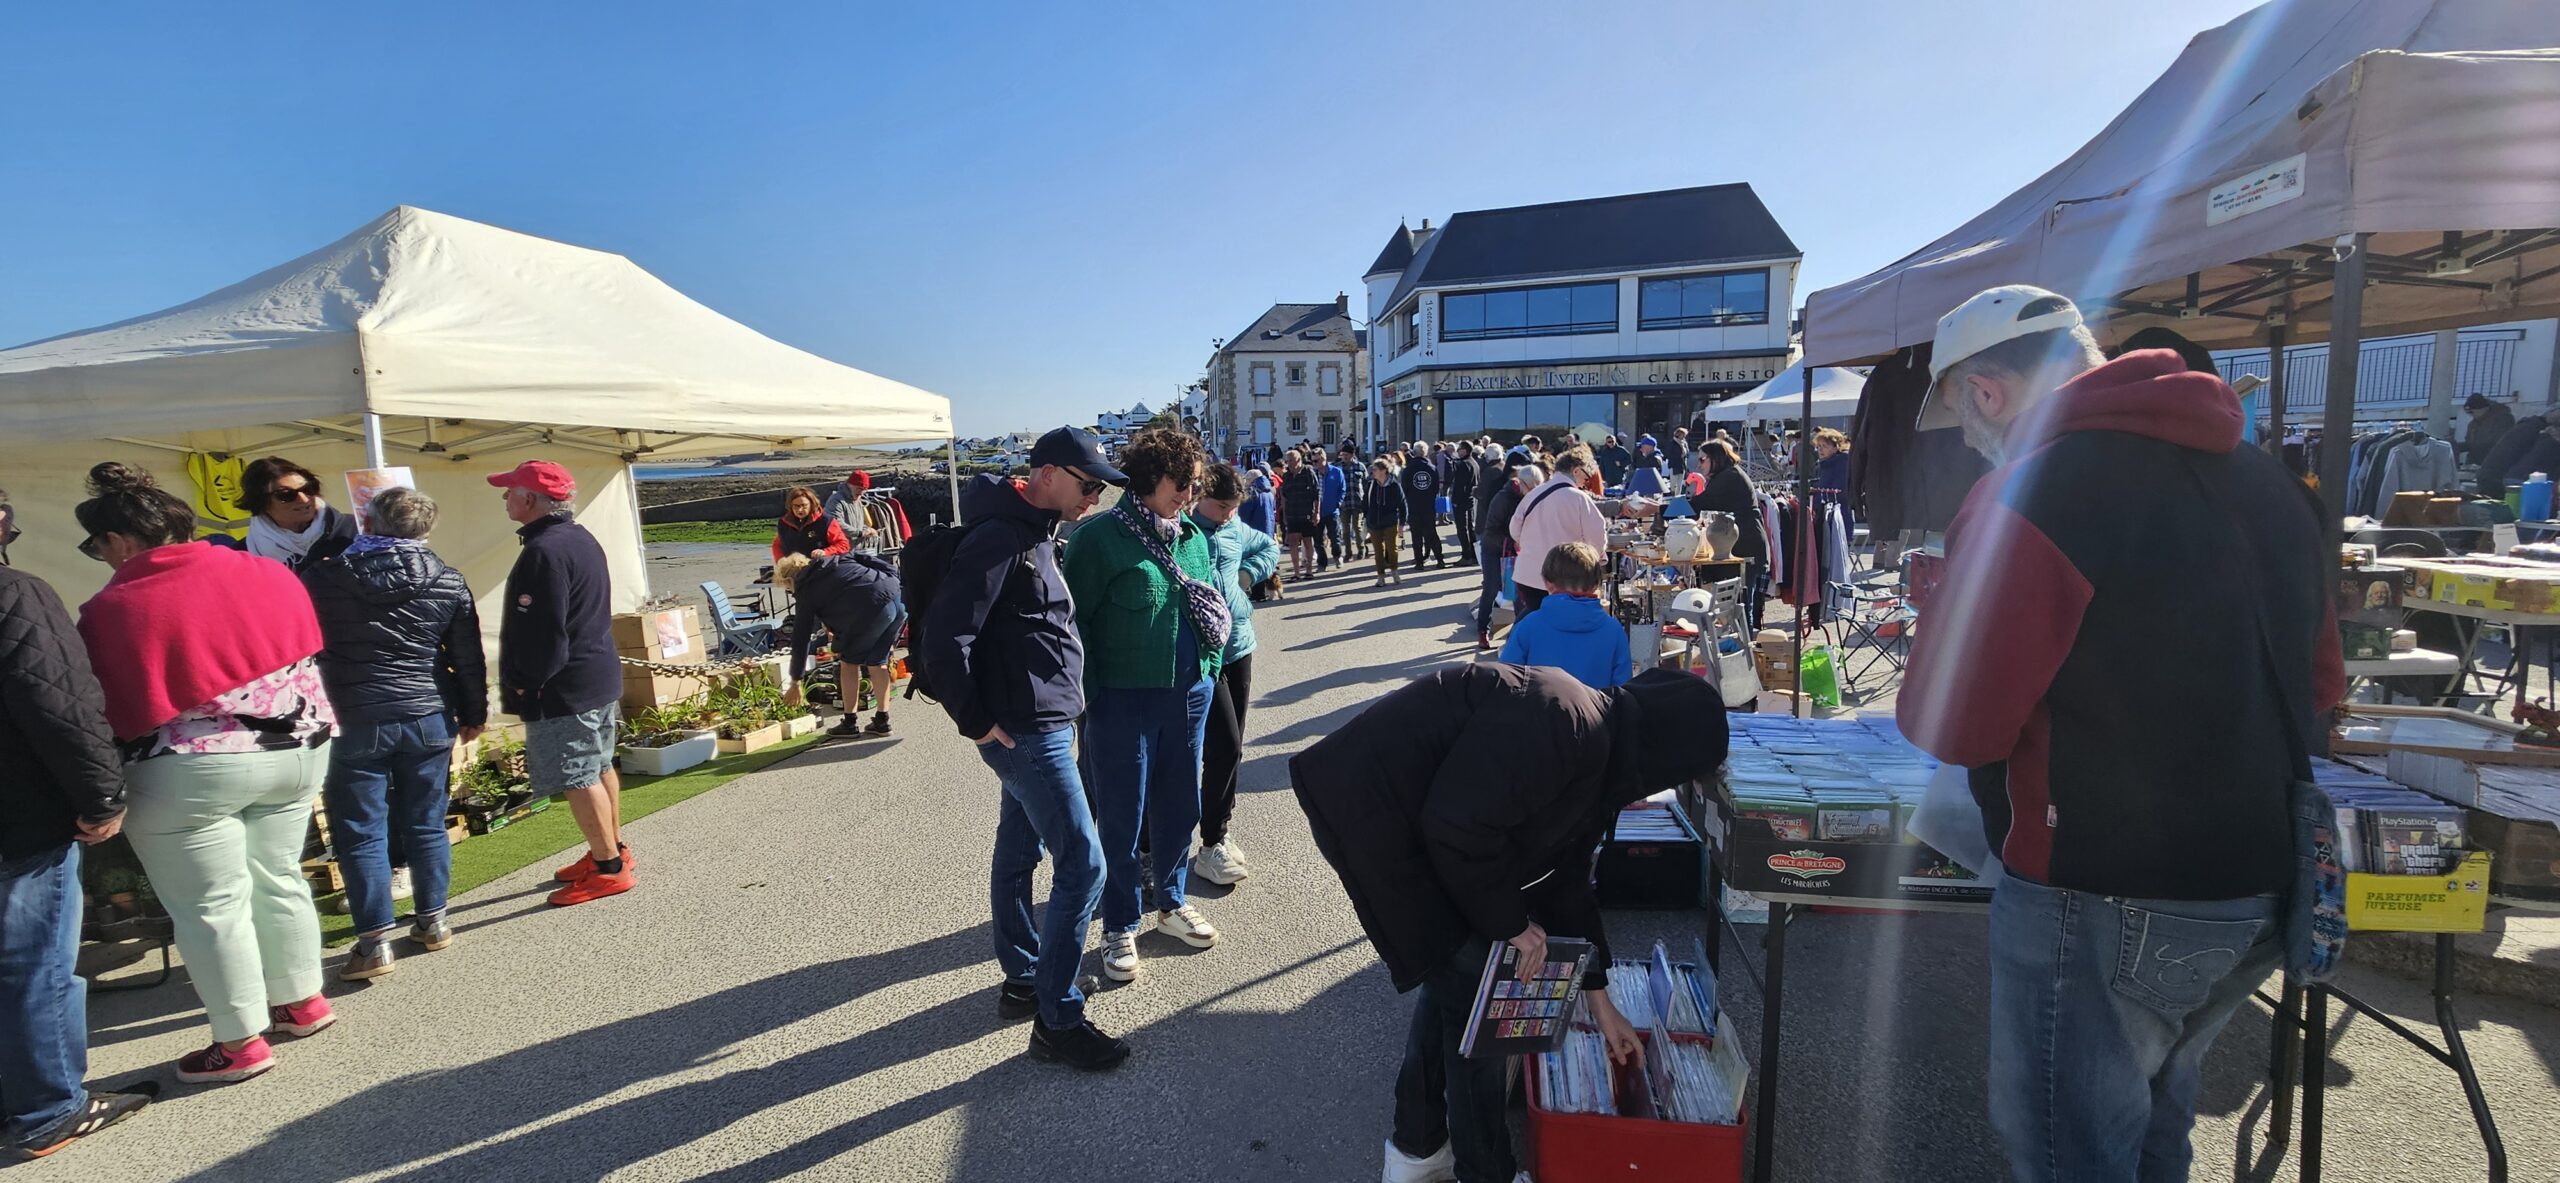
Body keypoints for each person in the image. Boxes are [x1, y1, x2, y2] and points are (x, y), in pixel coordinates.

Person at [1894, 285, 2346, 1183]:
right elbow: (2325, 682)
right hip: (2262, 874)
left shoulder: (2031, 488)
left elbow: (1954, 719)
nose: (1968, 442)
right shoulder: (2266, 481)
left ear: (1986, 392)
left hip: (2100, 889)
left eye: (1961, 418)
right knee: (2152, 1126)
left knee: (2074, 1149)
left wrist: (1945, 611)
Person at [1291, 664, 1725, 1183]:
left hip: (1407, 817)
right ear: (1664, 752)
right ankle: (1481, 1171)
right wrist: (1510, 923)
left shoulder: (1598, 743)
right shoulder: (1565, 723)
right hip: (1375, 809)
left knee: (1455, 979)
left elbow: (1565, 880)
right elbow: (1456, 825)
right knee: (1476, 988)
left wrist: (1598, 995)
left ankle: (1417, 1149)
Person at [73, 463, 337, 1085]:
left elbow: (108, 705)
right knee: (278, 877)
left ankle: (239, 1041)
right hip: (298, 749)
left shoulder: (112, 606)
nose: (100, 558)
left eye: (97, 546)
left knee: (211, 907)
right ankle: (303, 1001)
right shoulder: (267, 571)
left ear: (121, 541)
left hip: (190, 768)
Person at [924, 426, 1127, 1070]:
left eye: (1100, 486)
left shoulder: (1036, 532)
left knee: (1020, 848)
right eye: (1087, 482)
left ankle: (1024, 976)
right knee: (1084, 864)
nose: (1095, 495)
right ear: (1045, 474)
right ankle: (1057, 1018)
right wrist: (978, 723)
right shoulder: (1000, 535)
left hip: (1046, 721)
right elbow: (943, 640)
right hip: (1026, 730)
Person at [0, 532, 152, 1157]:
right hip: (20, 819)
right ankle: (48, 1109)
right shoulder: (14, 593)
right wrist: (101, 796)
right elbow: (60, 702)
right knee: (32, 966)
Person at [1062, 427, 1229, 985]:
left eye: (1194, 483)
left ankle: (1173, 902)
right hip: (1119, 704)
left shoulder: (1195, 539)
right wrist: (1084, 701)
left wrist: (1207, 675)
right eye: (1180, 483)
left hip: (1188, 698)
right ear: (1146, 480)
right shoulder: (1098, 540)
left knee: (1181, 807)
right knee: (1121, 817)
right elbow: (1074, 627)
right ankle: (1118, 924)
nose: (1189, 493)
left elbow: (1206, 611)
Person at [301, 487, 485, 979]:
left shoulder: (323, 576)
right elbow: (466, 656)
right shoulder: (447, 579)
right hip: (428, 711)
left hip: (354, 714)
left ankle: (374, 942)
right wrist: (474, 711)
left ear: (369, 523)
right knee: (425, 820)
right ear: (426, 529)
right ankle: (434, 921)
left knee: (362, 829)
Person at [487, 461, 629, 908]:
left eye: (511, 490)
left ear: (530, 499)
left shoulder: (543, 551)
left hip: (565, 681)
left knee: (579, 772)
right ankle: (611, 850)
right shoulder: (579, 537)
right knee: (599, 764)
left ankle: (608, 866)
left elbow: (543, 632)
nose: (504, 497)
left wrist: (526, 683)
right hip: (595, 671)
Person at [1189, 464, 1278, 887]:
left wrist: (1246, 576)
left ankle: (1214, 839)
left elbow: (1268, 549)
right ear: (1198, 494)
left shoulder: (1236, 527)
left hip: (1237, 647)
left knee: (1229, 747)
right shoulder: (1182, 530)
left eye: (1232, 507)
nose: (1226, 514)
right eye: (1221, 506)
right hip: (1196, 655)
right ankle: (1168, 845)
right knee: (1205, 750)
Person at [775, 549, 903, 738]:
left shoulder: (805, 590)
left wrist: (796, 680)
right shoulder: (838, 559)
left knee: (848, 663)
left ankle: (850, 723)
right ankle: (882, 721)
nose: (790, 592)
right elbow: (885, 565)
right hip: (895, 599)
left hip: (870, 609)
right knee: (878, 662)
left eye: (787, 588)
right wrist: (889, 583)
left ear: (790, 581)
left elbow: (800, 639)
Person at [1498, 542, 1628, 689]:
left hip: (1538, 709)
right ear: (1596, 584)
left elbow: (1506, 680)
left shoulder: (1528, 626)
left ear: (1546, 583)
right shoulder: (1613, 630)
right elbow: (1621, 689)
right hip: (1596, 710)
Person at [1508, 446, 1608, 618]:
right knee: (1560, 623)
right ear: (1576, 471)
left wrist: (1533, 545)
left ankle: (1517, 642)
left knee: (1535, 620)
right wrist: (1596, 558)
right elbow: (1596, 537)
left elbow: (1514, 530)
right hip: (1563, 577)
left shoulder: (1533, 494)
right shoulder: (1579, 498)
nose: (1586, 481)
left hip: (1527, 574)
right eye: (1586, 476)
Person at [234, 456, 357, 573]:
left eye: (308, 488)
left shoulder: (355, 531)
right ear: (261, 502)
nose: (304, 499)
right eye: (286, 495)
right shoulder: (241, 554)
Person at [1692, 439, 1768, 626]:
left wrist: (1657, 509)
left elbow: (1699, 505)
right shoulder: (1726, 475)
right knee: (1735, 605)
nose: (1698, 465)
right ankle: (1737, 645)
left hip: (1743, 546)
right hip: (1737, 544)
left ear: (1715, 458)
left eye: (1702, 460)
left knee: (1740, 606)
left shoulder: (1729, 476)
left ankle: (1743, 649)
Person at [1472, 458, 1541, 652]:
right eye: (1532, 487)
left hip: (1517, 551)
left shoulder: (1531, 497)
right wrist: (1513, 542)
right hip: (1495, 549)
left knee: (1521, 594)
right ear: (1523, 483)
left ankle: (1518, 637)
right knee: (1491, 588)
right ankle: (1482, 630)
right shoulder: (1503, 497)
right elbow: (1491, 529)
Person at [772, 485, 852, 561]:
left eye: (804, 505)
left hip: (820, 567)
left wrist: (825, 552)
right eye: (796, 506)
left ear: (812, 504)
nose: (800, 510)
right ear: (790, 506)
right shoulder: (784, 522)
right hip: (792, 569)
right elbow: (777, 545)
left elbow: (844, 545)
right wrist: (781, 561)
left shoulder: (826, 521)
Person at [1278, 450, 1322, 582]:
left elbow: (1316, 494)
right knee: (1292, 542)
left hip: (1306, 512)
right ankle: (1296, 572)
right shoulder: (1287, 476)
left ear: (1298, 460)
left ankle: (1308, 570)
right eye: (1287, 460)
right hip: (1292, 513)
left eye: (1290, 460)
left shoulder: (1308, 472)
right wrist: (1284, 515)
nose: (1288, 463)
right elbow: (1284, 497)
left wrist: (1317, 512)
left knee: (1307, 541)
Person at [1363, 458, 1406, 587]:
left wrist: (1402, 523)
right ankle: (1380, 576)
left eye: (1375, 470)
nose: (1373, 472)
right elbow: (1365, 502)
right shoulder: (1371, 485)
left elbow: (1402, 505)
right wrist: (1367, 517)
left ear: (1384, 471)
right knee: (1378, 551)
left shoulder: (1394, 486)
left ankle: (1394, 570)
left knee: (1392, 548)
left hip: (1390, 522)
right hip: (1374, 523)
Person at [1400, 443, 1444, 569]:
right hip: (1429, 505)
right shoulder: (1432, 468)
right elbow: (1436, 487)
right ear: (1425, 452)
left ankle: (1419, 563)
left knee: (1416, 535)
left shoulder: (1409, 469)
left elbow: (1405, 488)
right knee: (1432, 533)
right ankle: (1440, 560)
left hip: (1413, 506)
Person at [820, 469, 887, 549]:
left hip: (855, 548)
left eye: (864, 489)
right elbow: (835, 523)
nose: (862, 493)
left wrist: (867, 530)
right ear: (849, 485)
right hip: (840, 549)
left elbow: (859, 523)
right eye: (859, 488)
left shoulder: (858, 500)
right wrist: (859, 533)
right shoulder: (836, 500)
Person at [1446, 443, 1480, 568]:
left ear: (1465, 450)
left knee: (1462, 529)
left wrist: (1455, 501)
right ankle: (1474, 555)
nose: (1458, 452)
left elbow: (1459, 485)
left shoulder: (1463, 464)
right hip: (1471, 499)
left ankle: (1466, 555)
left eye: (1460, 449)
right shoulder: (1474, 463)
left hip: (1462, 501)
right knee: (1470, 528)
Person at [2464, 394, 2518, 469]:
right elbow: (2470, 446)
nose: (2471, 415)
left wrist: (2469, 446)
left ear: (2483, 408)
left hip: (2497, 463)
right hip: (2476, 464)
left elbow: (2500, 443)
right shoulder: (2473, 424)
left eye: (2472, 412)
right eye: (2468, 413)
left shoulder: (2503, 419)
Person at [1317, 445, 1347, 572]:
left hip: (1332, 510)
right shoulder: (1313, 473)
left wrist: (1338, 503)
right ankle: (1322, 563)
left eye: (1316, 460)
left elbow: (1342, 489)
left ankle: (1337, 556)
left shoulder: (1336, 471)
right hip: (1317, 512)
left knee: (1335, 537)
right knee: (1318, 539)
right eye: (1313, 461)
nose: (1315, 464)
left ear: (1323, 458)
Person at [1324, 445, 1356, 564]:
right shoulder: (1338, 468)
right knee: (1345, 530)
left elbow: (1364, 483)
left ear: (1352, 455)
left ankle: (1361, 548)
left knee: (1357, 529)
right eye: (1343, 455)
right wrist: (1338, 503)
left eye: (1346, 454)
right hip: (1342, 505)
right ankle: (1347, 553)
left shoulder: (1360, 466)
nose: (1344, 457)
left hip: (1356, 502)